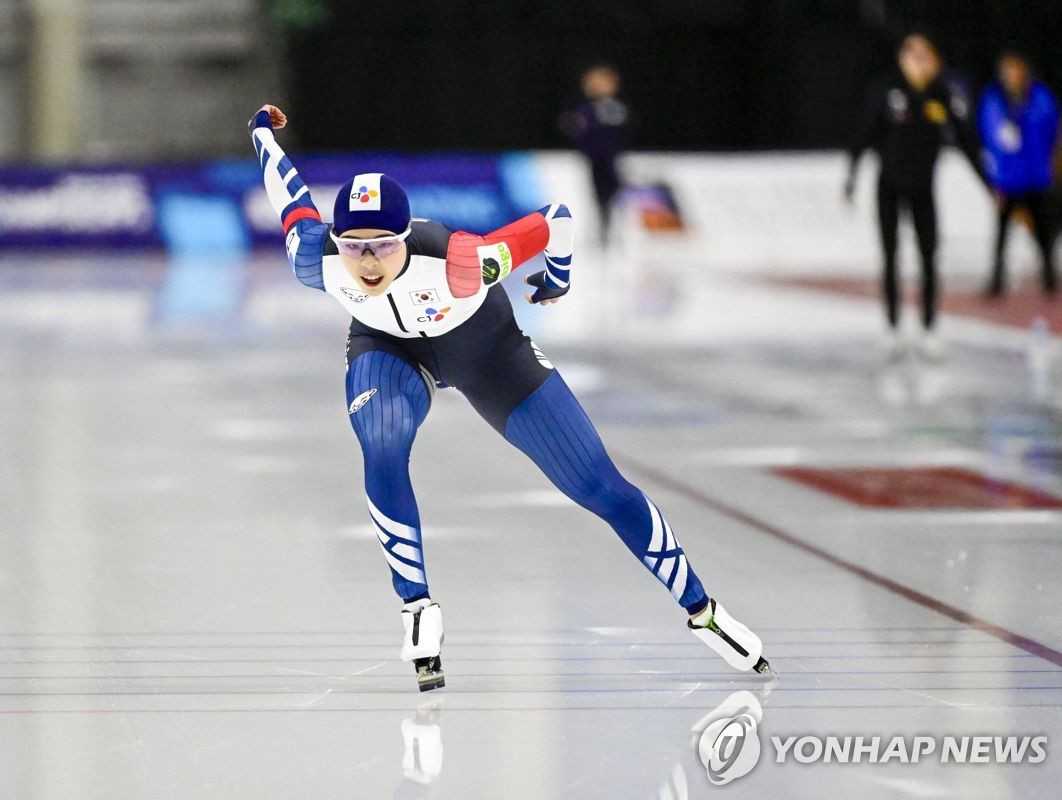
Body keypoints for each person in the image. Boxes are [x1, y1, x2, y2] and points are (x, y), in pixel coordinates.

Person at [248, 104, 773, 691]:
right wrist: (262, 131)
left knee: (598, 485)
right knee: (383, 444)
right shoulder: (314, 258)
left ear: (404, 237)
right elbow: (287, 191)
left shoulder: (461, 263)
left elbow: (556, 217)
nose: (367, 263)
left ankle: (704, 611)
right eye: (353, 246)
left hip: (487, 352)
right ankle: (418, 608)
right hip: (389, 349)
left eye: (383, 246)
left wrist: (558, 275)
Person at [846, 33, 988, 361]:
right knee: (891, 258)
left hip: (923, 187)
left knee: (929, 259)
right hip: (889, 187)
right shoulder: (886, 90)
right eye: (913, 52)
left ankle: (928, 329)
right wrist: (851, 177)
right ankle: (893, 328)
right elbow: (864, 133)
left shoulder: (941, 93)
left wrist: (987, 183)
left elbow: (966, 140)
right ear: (902, 56)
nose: (919, 59)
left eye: (926, 53)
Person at [977, 51, 1059, 297]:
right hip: (1007, 179)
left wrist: (1043, 158)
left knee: (1043, 230)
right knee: (1002, 232)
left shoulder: (1040, 97)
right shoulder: (994, 100)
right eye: (1006, 69)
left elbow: (1051, 130)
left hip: (1035, 176)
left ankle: (1049, 276)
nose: (1011, 75)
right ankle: (997, 279)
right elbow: (989, 133)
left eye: (1015, 69)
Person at [560, 65, 631, 246]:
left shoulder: (617, 108)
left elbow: (625, 133)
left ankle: (614, 234)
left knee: (614, 196)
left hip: (613, 161)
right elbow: (572, 128)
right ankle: (599, 234)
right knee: (595, 197)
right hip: (593, 161)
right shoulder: (584, 109)